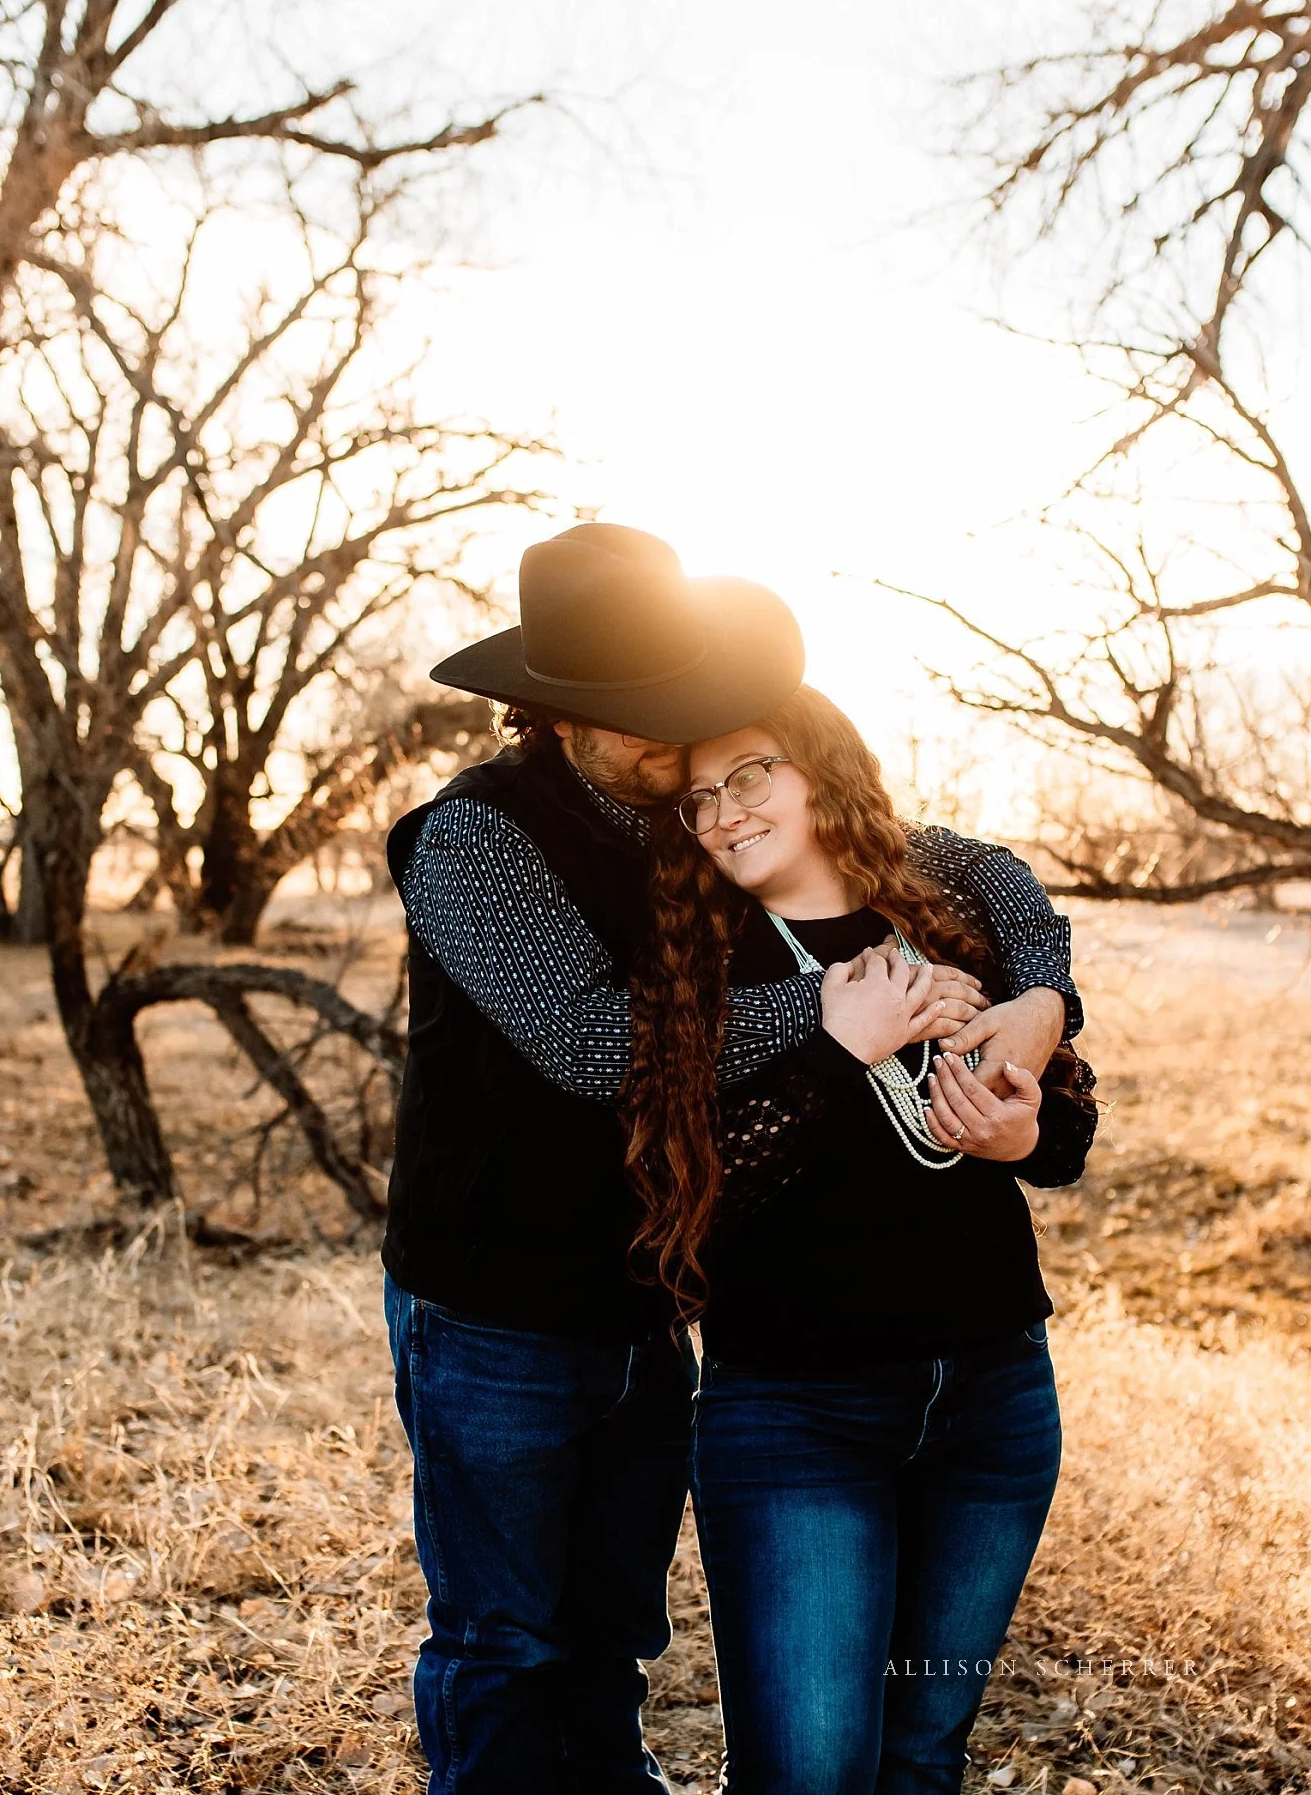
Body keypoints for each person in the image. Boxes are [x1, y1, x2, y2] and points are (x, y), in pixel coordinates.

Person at [382, 523, 1084, 1794]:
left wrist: (1041, 1000)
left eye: (700, 722)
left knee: (610, 1638)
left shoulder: (692, 820)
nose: (689, 756)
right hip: (501, 1305)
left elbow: (978, 866)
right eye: (646, 720)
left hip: (648, 1308)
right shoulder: (475, 839)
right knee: (507, 1640)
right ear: (553, 712)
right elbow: (600, 1045)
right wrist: (826, 1020)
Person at [623, 685, 1098, 1795]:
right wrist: (840, 1049)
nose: (726, 811)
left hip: (995, 1398)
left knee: (923, 1756)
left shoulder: (944, 916)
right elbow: (691, 1201)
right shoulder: (697, 963)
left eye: (753, 775)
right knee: (810, 1772)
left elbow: (1065, 1133)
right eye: (699, 798)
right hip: (798, 1417)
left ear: (821, 768)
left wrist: (1024, 1129)